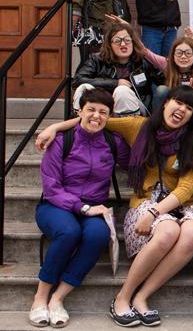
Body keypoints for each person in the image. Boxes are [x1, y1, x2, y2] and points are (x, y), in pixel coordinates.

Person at [37, 86, 193, 327]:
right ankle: (122, 298)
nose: (182, 110)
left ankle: (142, 297)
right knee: (169, 231)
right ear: (165, 102)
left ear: (192, 116)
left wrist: (156, 212)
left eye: (189, 108)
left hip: (179, 203)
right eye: (178, 102)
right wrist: (55, 127)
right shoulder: (139, 126)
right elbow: (96, 119)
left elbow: (186, 189)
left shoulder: (192, 143)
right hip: (146, 199)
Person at [29, 88, 129, 328]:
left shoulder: (112, 142)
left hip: (94, 207)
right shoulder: (62, 141)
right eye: (90, 110)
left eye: (103, 112)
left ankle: (57, 298)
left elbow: (137, 161)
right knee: (69, 232)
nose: (96, 116)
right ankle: (40, 297)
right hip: (55, 206)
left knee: (98, 234)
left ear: (110, 116)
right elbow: (51, 188)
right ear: (79, 112)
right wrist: (82, 208)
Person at [72, 22, 165, 116]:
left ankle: (125, 128)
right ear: (109, 44)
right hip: (102, 108)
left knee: (122, 91)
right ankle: (80, 124)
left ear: (133, 42)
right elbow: (77, 80)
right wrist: (114, 83)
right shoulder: (97, 59)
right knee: (83, 88)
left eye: (127, 40)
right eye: (117, 40)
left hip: (135, 110)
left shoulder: (142, 62)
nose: (123, 44)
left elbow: (164, 80)